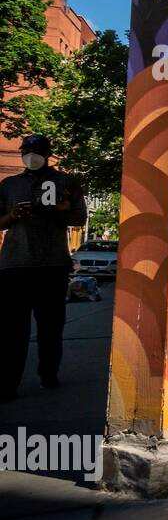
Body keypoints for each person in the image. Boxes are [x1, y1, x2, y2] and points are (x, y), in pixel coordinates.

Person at [0, 134, 87, 400]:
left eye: (36, 151)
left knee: (51, 328)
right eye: (26, 151)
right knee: (13, 330)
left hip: (52, 265)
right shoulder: (9, 185)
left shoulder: (65, 181)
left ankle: (48, 375)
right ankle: (7, 384)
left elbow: (79, 217)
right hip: (15, 265)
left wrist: (57, 210)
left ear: (48, 154)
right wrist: (14, 215)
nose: (31, 156)